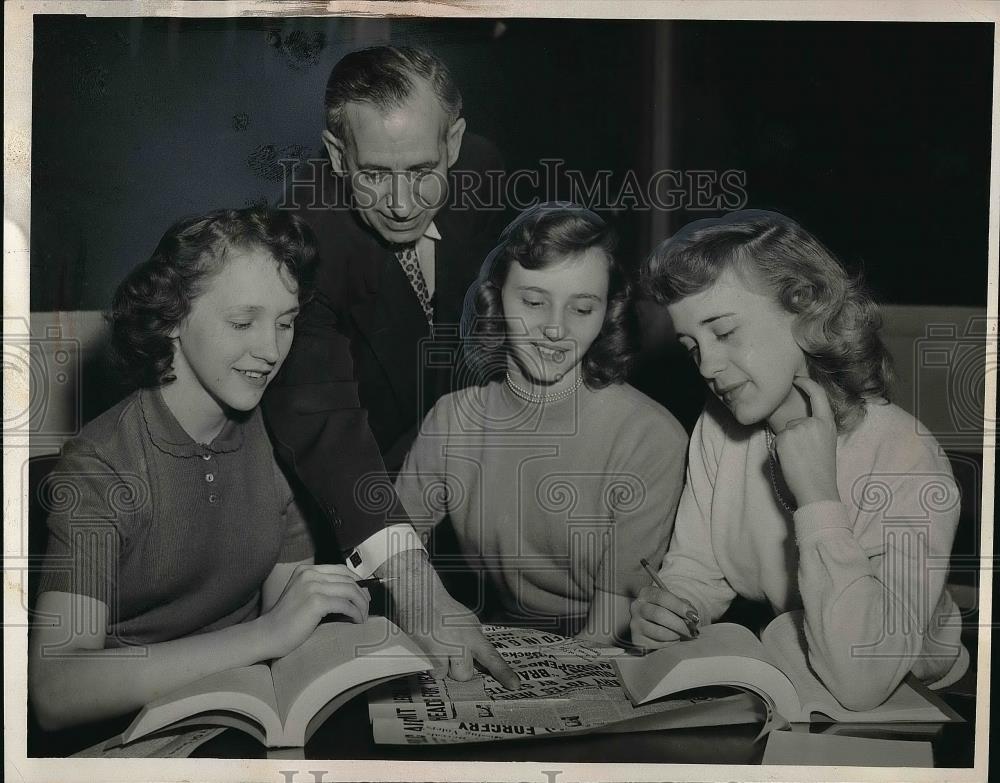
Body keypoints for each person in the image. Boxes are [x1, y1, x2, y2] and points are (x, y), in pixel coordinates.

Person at [29, 208, 372, 731]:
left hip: (243, 715)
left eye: (286, 322)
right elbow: (55, 690)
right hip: (121, 736)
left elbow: (289, 620)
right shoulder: (100, 464)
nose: (271, 350)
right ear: (170, 318)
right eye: (243, 322)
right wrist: (264, 635)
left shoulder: (279, 434)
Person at [631, 209, 967, 711]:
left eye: (723, 333)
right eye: (691, 346)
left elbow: (862, 680)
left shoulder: (907, 457)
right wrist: (672, 609)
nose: (707, 365)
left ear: (805, 308)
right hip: (796, 675)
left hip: (925, 698)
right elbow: (695, 572)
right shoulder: (719, 429)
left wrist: (817, 497)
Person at [262, 45, 516, 688]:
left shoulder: (487, 173)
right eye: (373, 173)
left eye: (422, 170)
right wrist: (418, 587)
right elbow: (326, 428)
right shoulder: (301, 240)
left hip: (475, 497)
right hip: (353, 514)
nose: (403, 203)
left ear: (454, 144)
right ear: (337, 154)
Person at [394, 203, 688, 645]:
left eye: (582, 309)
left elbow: (604, 633)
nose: (555, 328)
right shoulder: (452, 420)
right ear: (496, 297)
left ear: (607, 314)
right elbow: (391, 548)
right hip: (498, 636)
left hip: (608, 649)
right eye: (533, 301)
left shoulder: (650, 437)